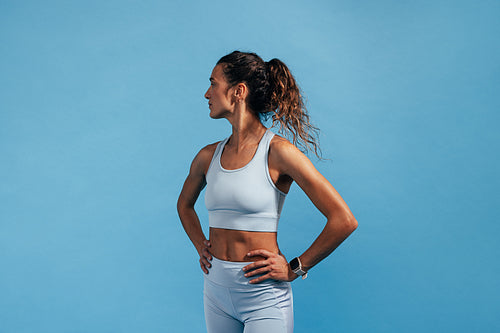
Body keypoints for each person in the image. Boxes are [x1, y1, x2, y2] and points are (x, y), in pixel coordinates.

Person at [177, 50, 357, 333]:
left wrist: (295, 268)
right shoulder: (206, 156)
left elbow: (344, 220)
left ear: (238, 91)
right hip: (215, 290)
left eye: (213, 83)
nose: (206, 93)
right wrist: (200, 243)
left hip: (263, 296)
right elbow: (184, 206)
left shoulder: (279, 153)